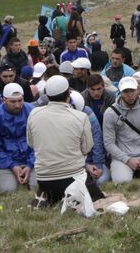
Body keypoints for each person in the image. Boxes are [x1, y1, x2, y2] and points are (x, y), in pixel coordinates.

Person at [27, 75, 98, 205]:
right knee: (97, 199)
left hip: (44, 181)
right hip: (73, 179)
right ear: (68, 94)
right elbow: (87, 148)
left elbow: (31, 143)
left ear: (47, 95)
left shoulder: (34, 114)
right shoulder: (81, 117)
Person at [0, 83, 35, 191]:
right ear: (4, 100)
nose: (17, 105)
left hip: (32, 159)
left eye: (20, 100)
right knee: (7, 190)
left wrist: (30, 164)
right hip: (6, 163)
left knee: (36, 187)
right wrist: (12, 166)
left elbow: (39, 142)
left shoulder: (32, 111)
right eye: (13, 102)